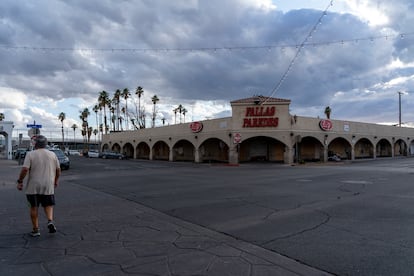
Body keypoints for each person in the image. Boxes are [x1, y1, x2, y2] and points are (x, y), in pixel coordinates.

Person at [16, 135, 61, 237]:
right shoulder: (52, 155)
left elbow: (25, 169)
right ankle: (50, 221)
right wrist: (56, 181)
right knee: (48, 205)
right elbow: (58, 170)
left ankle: (36, 230)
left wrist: (20, 181)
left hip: (33, 186)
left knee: (33, 207)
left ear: (35, 143)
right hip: (48, 184)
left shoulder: (30, 154)